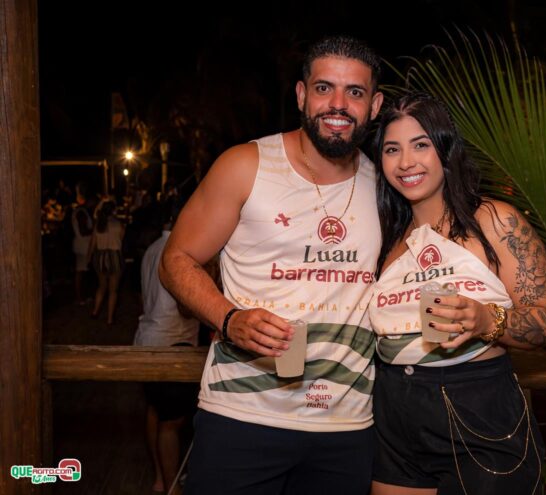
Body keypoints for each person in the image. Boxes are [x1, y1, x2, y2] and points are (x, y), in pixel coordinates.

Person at [159, 35, 384, 495]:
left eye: (355, 92)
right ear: (301, 95)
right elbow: (175, 259)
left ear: (374, 106)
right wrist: (229, 318)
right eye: (324, 88)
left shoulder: (386, 184)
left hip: (345, 426)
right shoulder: (246, 165)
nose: (338, 105)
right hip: (242, 417)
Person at [368, 93, 546, 495]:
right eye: (392, 149)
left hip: (478, 408)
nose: (406, 162)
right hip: (393, 410)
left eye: (420, 144)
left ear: (445, 149)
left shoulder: (495, 220)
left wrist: (488, 319)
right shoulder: (387, 240)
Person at [134, 198, 199, 494]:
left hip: (146, 339)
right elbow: (186, 308)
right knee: (172, 422)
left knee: (156, 411)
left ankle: (160, 478)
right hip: (173, 343)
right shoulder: (182, 252)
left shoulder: (152, 249)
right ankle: (173, 487)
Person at [88, 198, 125, 324]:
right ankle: (109, 318)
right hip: (114, 256)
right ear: (113, 210)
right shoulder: (119, 224)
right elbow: (121, 240)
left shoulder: (99, 225)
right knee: (113, 290)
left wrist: (89, 258)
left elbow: (92, 244)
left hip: (100, 257)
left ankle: (95, 311)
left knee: (101, 286)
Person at [70, 182, 95, 305]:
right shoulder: (81, 212)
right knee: (80, 271)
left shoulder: (82, 211)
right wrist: (94, 230)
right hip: (82, 245)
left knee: (83, 271)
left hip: (82, 245)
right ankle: (79, 297)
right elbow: (83, 231)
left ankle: (82, 296)